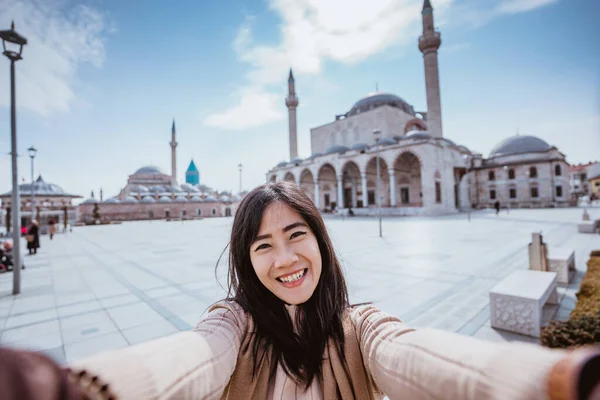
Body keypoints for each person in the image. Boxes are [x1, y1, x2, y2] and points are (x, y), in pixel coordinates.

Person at [13, 181, 600, 399]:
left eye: (297, 235)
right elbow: (193, 357)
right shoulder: (235, 326)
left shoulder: (358, 327)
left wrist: (551, 381)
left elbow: (414, 355)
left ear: (322, 240)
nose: (285, 258)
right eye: (262, 245)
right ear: (246, 260)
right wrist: (80, 389)